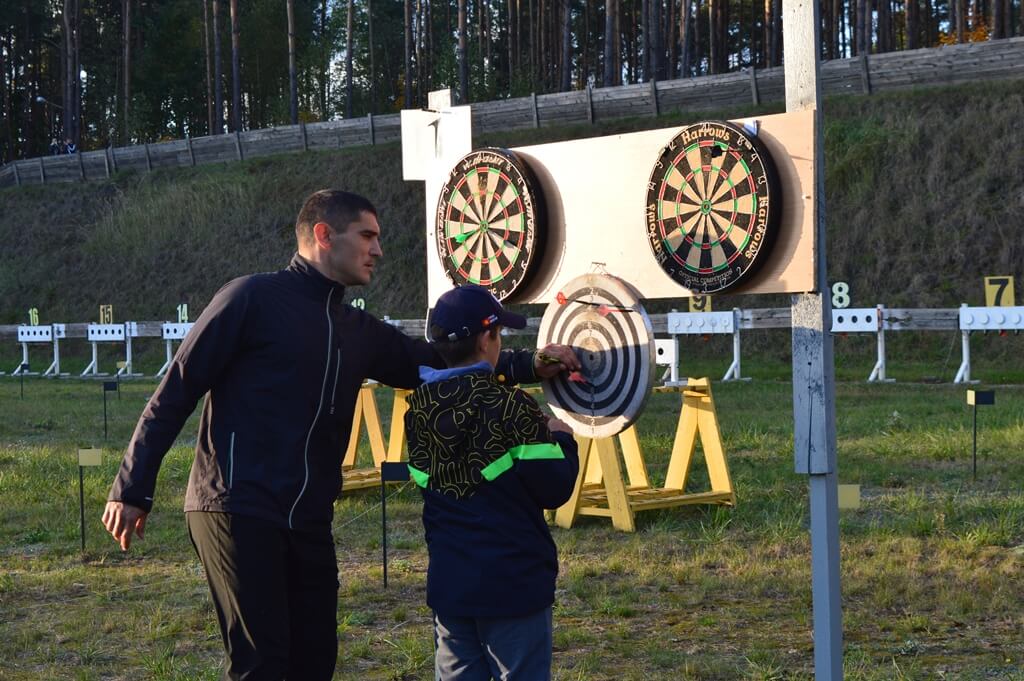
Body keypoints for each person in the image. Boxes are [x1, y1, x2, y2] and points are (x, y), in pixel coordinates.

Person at [101, 189, 580, 681]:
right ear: (324, 236)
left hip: (308, 518)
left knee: (315, 662)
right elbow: (175, 390)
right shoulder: (249, 298)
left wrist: (531, 365)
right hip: (236, 506)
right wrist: (132, 487)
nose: (378, 249)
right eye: (367, 235)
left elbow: (445, 361)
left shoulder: (356, 328)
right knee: (263, 665)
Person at [406, 285, 581, 681]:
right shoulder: (511, 408)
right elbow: (556, 487)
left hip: (452, 586)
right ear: (487, 339)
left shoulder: (417, 413)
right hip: (513, 587)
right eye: (499, 334)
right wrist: (562, 438)